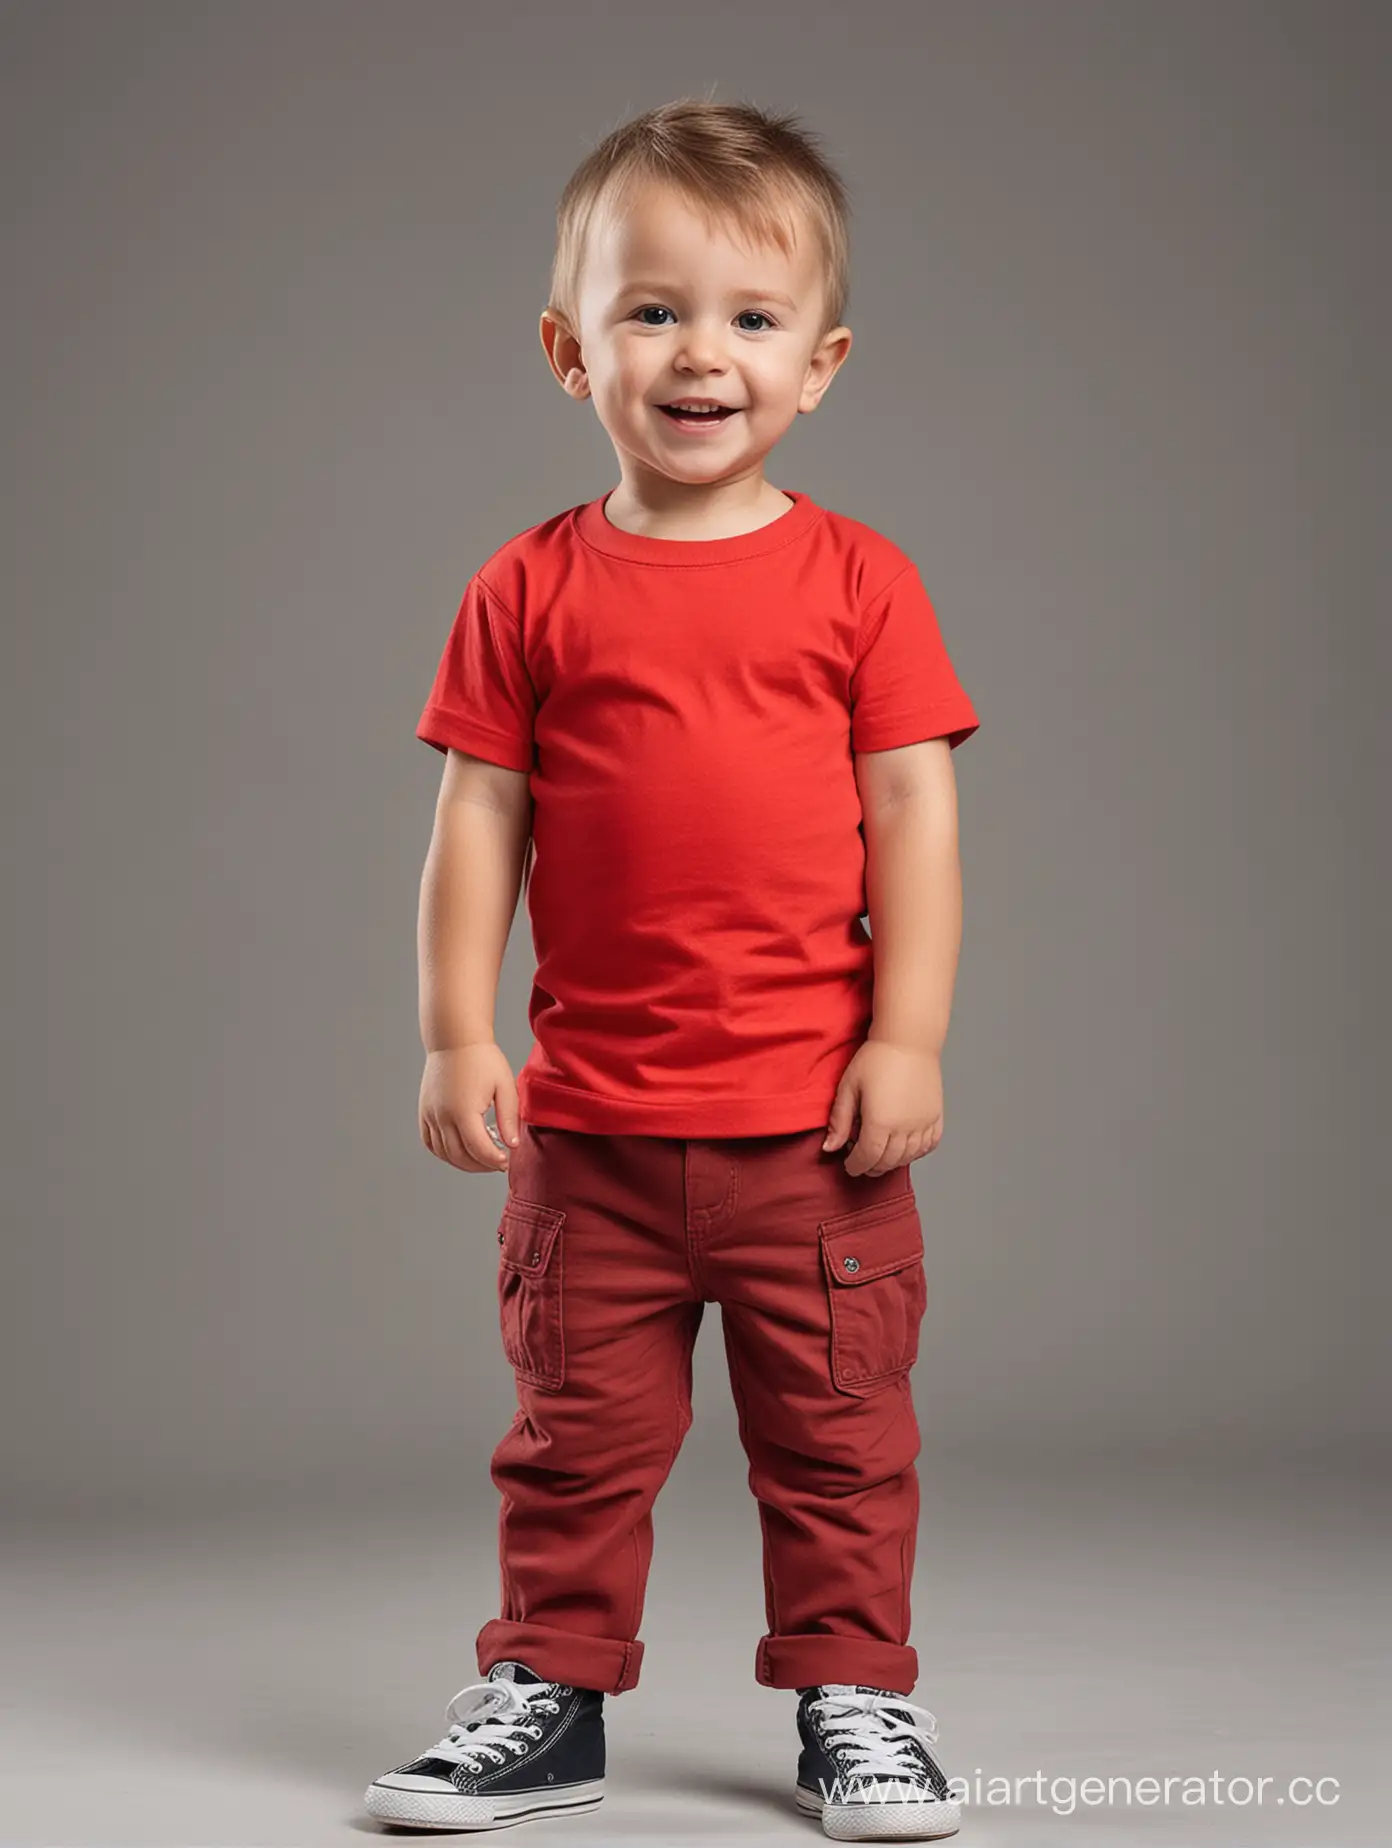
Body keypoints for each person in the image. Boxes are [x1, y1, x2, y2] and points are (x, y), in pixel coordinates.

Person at [364, 96, 979, 1842]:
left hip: (813, 1136)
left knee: (843, 1443)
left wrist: (912, 1036)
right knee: (571, 1438)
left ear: (821, 363)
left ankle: (856, 1695)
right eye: (652, 312)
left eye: (750, 318)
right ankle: (548, 1694)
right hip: (594, 1139)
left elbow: (913, 817)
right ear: (571, 351)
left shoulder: (861, 582)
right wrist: (451, 1033)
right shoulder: (530, 587)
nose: (701, 354)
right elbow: (478, 820)